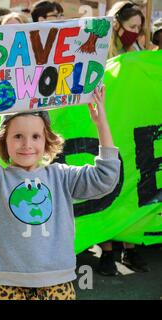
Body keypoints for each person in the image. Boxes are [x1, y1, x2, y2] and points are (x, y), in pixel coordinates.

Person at [0, 87, 121, 300]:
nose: (27, 145)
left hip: (56, 284)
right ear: (4, 140)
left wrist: (101, 123)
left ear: (46, 140)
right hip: (6, 285)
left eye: (35, 136)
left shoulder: (61, 177)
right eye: (18, 136)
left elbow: (106, 177)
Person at [95, 1, 148, 276]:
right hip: (105, 128)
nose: (136, 33)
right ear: (116, 25)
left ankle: (130, 248)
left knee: (131, 186)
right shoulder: (100, 51)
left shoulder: (138, 52)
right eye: (132, 27)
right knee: (107, 188)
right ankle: (106, 252)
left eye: (140, 28)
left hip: (130, 129)